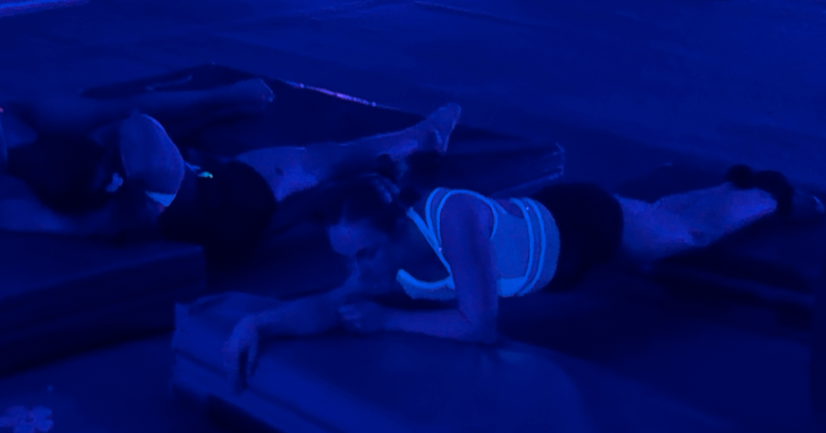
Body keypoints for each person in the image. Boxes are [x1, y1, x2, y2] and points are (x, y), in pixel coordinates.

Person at [0, 59, 461, 263]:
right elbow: (136, 124)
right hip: (214, 188)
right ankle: (408, 150)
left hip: (24, 118)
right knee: (316, 165)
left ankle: (221, 99)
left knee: (121, 116)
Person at [221, 160, 823, 388]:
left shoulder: (449, 216)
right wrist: (261, 321)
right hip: (558, 264)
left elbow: (480, 325)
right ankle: (726, 184)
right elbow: (329, 303)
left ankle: (769, 191)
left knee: (689, 239)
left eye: (363, 255)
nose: (356, 270)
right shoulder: (380, 263)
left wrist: (385, 320)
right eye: (347, 258)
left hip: (584, 228)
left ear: (397, 230)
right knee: (663, 222)